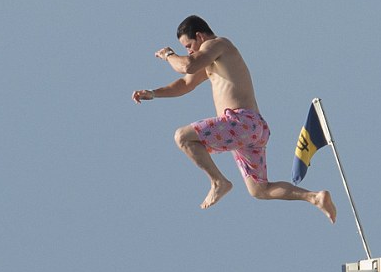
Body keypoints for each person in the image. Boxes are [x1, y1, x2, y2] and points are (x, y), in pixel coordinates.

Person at [132, 15, 337, 221]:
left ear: (200, 36)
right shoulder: (210, 59)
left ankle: (218, 182)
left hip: (240, 122)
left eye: (189, 46)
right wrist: (153, 92)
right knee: (259, 190)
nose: (189, 51)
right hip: (252, 130)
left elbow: (187, 65)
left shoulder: (217, 44)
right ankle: (315, 198)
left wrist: (168, 54)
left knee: (183, 137)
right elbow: (185, 84)